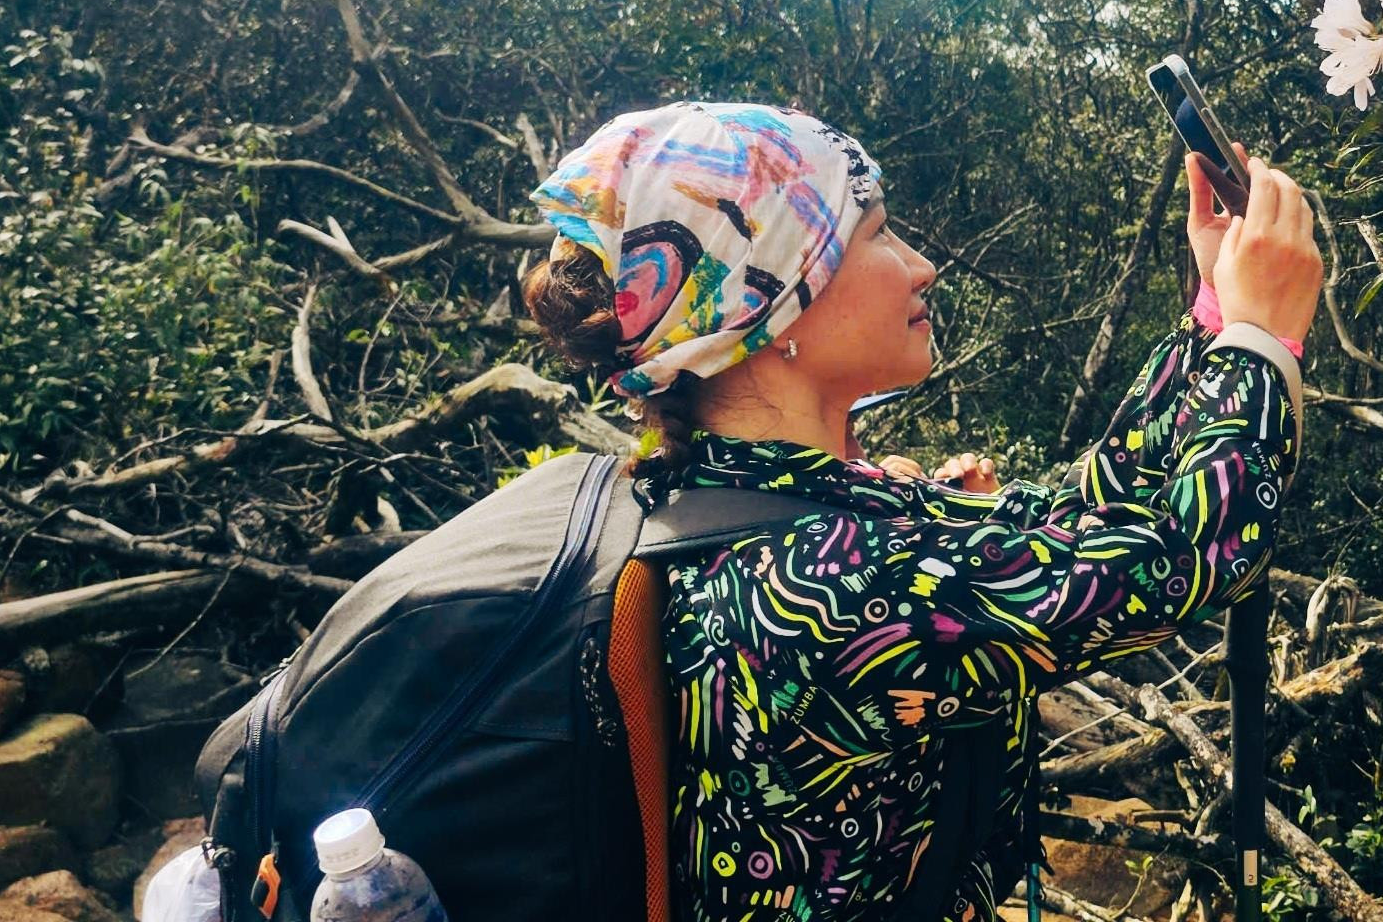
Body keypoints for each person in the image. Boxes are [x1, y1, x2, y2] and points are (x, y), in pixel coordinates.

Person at [518, 100, 1321, 922]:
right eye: (877, 234)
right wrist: (1262, 337)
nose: (920, 265)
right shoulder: (816, 583)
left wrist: (1215, 316)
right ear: (773, 307)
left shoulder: (790, 505)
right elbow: (1184, 558)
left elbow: (1087, 513)